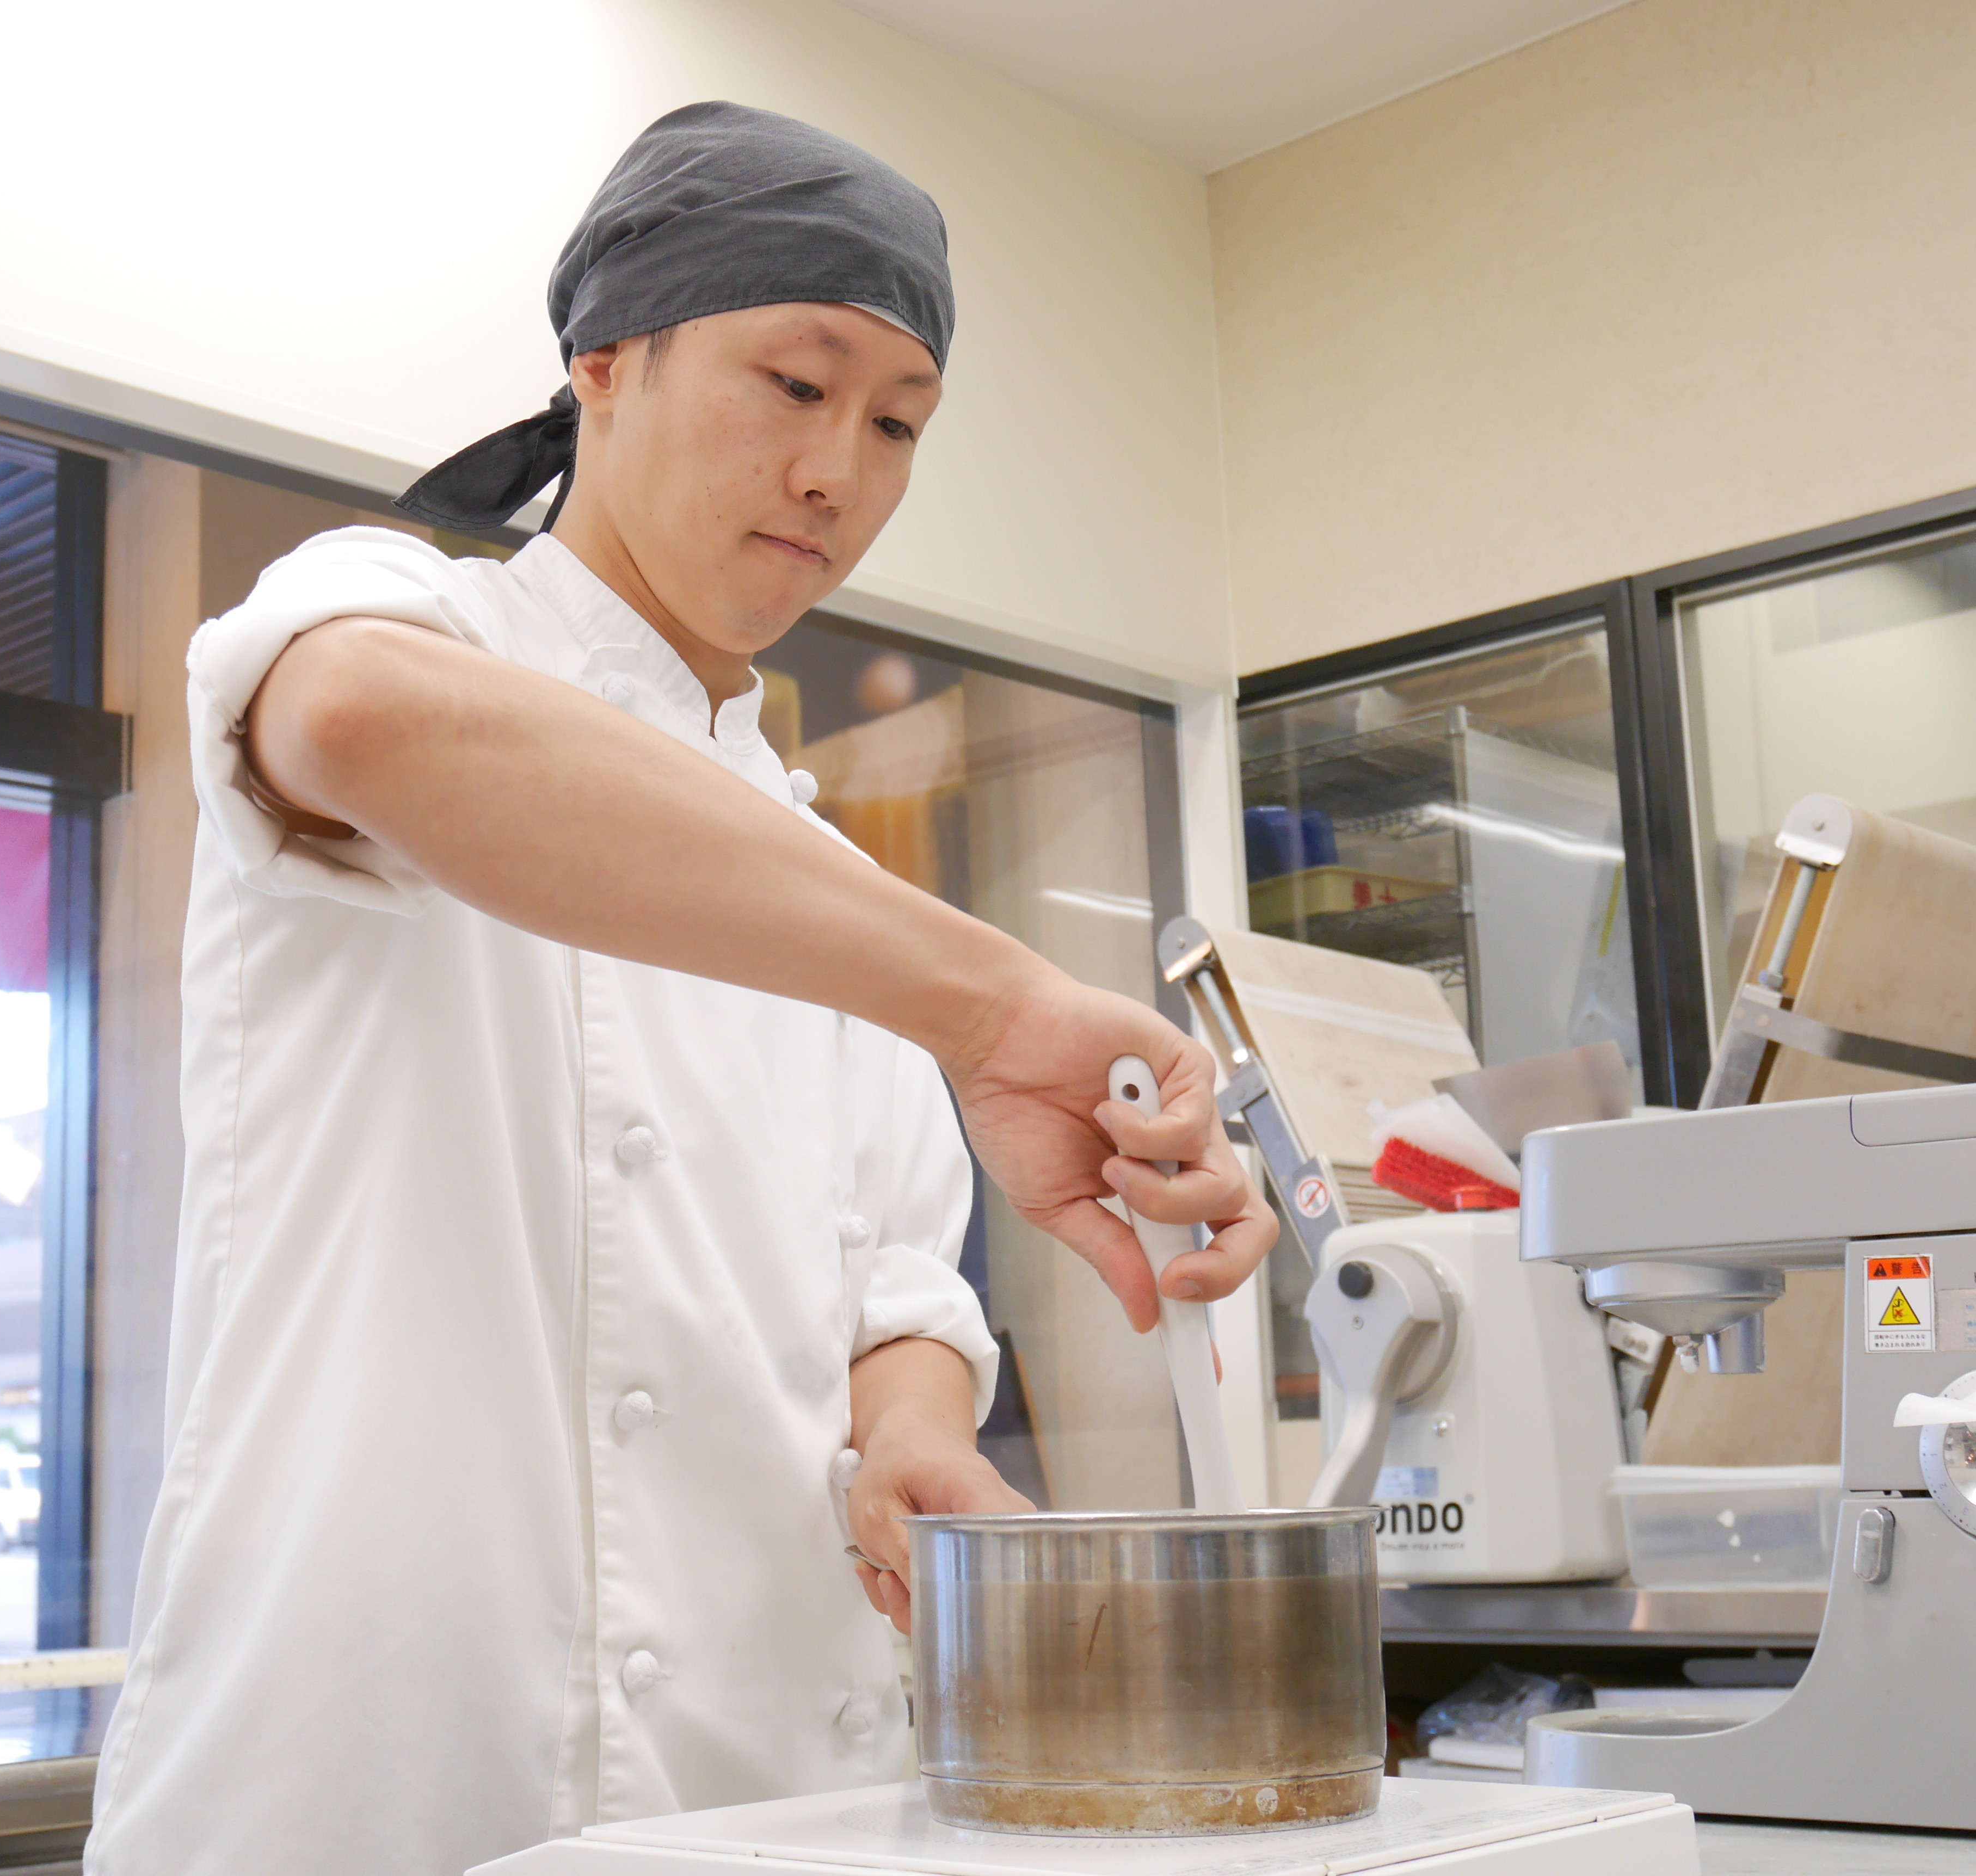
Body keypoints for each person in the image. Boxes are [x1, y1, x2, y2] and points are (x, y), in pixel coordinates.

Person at [85, 102, 1275, 1875]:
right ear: (606, 365)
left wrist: (913, 1434)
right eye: (795, 386)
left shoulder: (823, 886)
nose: (840, 476)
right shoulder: (398, 622)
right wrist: (1001, 1010)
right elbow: (366, 723)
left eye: (898, 423)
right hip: (372, 1771)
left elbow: (887, 1283)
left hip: (772, 1788)